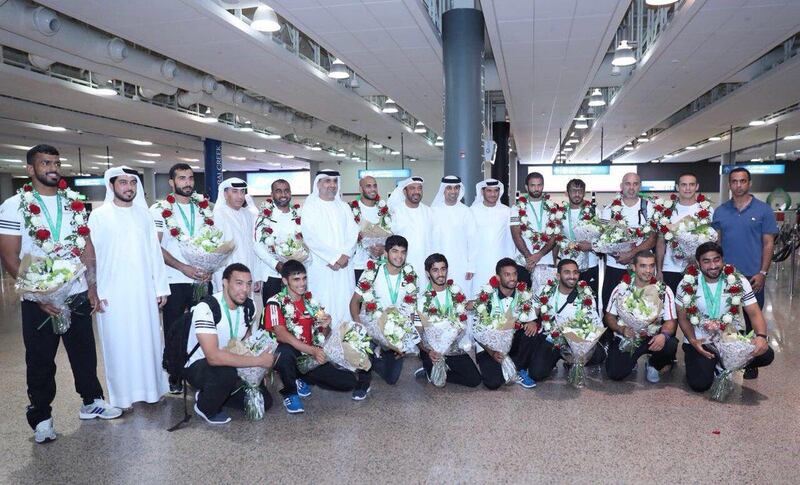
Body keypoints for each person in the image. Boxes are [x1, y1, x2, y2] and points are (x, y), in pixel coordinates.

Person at [0, 144, 120, 444]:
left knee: (84, 353)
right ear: (31, 169)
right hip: (37, 299)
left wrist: (92, 286)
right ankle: (41, 417)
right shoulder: (13, 205)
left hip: (76, 292)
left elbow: (86, 248)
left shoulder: (74, 203)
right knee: (40, 360)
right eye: (45, 163)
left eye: (55, 162)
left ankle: (91, 400)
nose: (52, 167)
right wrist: (40, 294)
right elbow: (9, 255)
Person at [88, 166, 171, 408]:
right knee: (118, 345)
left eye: (132, 182)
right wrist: (96, 290)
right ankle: (123, 397)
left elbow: (154, 253)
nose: (129, 187)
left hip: (144, 291)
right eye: (123, 182)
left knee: (149, 342)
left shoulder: (145, 215)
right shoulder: (99, 216)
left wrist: (160, 287)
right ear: (111, 185)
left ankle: (152, 390)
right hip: (112, 293)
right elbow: (93, 256)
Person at [265, 260, 372, 413]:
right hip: (292, 353)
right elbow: (281, 335)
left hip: (309, 357)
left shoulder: (311, 302)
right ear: (284, 281)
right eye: (296, 279)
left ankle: (300, 378)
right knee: (285, 352)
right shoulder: (275, 302)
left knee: (348, 382)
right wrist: (312, 351)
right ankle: (290, 393)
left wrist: (326, 326)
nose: (302, 283)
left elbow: (322, 336)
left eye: (304, 278)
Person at [675, 242, 774, 392]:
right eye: (706, 261)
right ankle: (716, 364)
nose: (713, 265)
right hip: (701, 341)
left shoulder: (738, 280)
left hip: (729, 339)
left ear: (723, 260)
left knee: (766, 354)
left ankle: (726, 363)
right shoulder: (686, 283)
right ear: (698, 263)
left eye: (716, 260)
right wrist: (693, 340)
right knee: (700, 384)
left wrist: (761, 336)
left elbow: (754, 312)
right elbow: (682, 318)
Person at [185, 263, 274, 424]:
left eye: (248, 284)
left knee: (264, 402)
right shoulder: (206, 308)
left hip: (232, 362)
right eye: (239, 283)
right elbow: (213, 357)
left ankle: (218, 394)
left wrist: (256, 372)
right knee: (225, 373)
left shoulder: (249, 306)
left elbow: (247, 340)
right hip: (200, 365)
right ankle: (205, 406)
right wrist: (258, 361)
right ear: (225, 283)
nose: (245, 289)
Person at [151, 163, 212, 394]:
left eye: (190, 178)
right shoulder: (158, 209)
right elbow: (155, 246)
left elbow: (213, 241)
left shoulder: (204, 208)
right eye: (182, 178)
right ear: (171, 182)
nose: (187, 183)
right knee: (175, 330)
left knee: (203, 327)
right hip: (174, 279)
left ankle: (199, 369)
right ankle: (175, 374)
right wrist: (182, 267)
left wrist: (209, 268)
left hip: (202, 279)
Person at [712, 167, 778, 379]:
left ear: (749, 183)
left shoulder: (764, 210)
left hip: (752, 276)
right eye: (734, 181)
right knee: (726, 319)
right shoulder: (720, 211)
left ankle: (750, 362)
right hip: (725, 276)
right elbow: (717, 243)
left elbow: (768, 244)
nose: (738, 185)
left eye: (742, 181)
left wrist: (762, 272)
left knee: (751, 320)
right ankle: (727, 359)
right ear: (729, 184)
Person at [349, 235, 417, 385]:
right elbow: (354, 302)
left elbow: (411, 309)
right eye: (394, 251)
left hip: (394, 331)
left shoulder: (410, 275)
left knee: (392, 378)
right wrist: (359, 325)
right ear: (385, 253)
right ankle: (363, 382)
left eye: (403, 252)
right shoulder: (372, 272)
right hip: (372, 327)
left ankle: (375, 360)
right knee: (365, 346)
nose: (399, 256)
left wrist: (404, 340)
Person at [604, 251, 678, 383]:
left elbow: (671, 322)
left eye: (651, 266)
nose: (648, 270)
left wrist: (663, 335)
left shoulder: (664, 290)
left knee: (670, 344)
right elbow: (609, 316)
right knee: (615, 373)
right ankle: (631, 361)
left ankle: (653, 364)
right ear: (634, 267)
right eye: (643, 266)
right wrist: (621, 330)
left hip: (652, 337)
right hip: (628, 336)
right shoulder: (621, 288)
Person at [527, 259, 605, 382]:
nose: (572, 276)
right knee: (536, 373)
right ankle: (553, 361)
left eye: (575, 272)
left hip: (575, 340)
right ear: (558, 276)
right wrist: (531, 321)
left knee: (599, 355)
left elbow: (592, 322)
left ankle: (570, 362)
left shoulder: (586, 294)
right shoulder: (545, 290)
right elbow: (534, 308)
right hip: (552, 339)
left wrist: (584, 343)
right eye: (567, 272)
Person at [300, 170, 359, 325]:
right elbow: (310, 237)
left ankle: (346, 341)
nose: (332, 185)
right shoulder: (310, 207)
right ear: (318, 184)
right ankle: (321, 342)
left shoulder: (344, 207)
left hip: (344, 266)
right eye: (327, 181)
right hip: (321, 265)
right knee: (322, 302)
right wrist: (333, 258)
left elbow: (353, 232)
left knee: (344, 301)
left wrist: (345, 255)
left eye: (334, 181)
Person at [416, 253, 481, 388]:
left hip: (452, 347)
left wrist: (481, 301)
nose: (440, 274)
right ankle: (429, 367)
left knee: (474, 380)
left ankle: (441, 371)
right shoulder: (422, 300)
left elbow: (465, 306)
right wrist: (429, 352)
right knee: (437, 378)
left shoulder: (455, 292)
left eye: (443, 269)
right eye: (435, 270)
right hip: (432, 349)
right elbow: (417, 332)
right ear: (428, 273)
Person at [473, 258, 538, 390]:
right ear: (498, 277)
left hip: (511, 344)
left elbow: (531, 318)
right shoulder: (486, 298)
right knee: (493, 383)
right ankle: (502, 365)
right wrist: (491, 352)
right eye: (507, 275)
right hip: (489, 347)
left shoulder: (523, 295)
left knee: (531, 331)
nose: (512, 278)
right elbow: (477, 332)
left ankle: (520, 368)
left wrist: (532, 321)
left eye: (514, 274)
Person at [600, 172, 657, 311]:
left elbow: (652, 239)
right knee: (610, 306)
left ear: (640, 186)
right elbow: (605, 240)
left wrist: (631, 254)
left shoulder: (649, 208)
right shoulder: (609, 210)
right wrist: (619, 255)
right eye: (628, 183)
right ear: (621, 186)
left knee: (642, 307)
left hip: (642, 268)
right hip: (616, 266)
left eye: (635, 184)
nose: (631, 187)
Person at [655, 172, 713, 293]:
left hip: (698, 268)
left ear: (697, 187)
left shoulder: (707, 210)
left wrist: (697, 262)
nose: (688, 188)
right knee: (671, 308)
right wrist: (659, 270)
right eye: (684, 185)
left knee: (694, 308)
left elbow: (711, 242)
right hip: (670, 268)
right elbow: (660, 242)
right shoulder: (667, 211)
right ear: (677, 187)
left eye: (691, 184)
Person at [254, 178, 301, 305]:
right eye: (278, 191)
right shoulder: (264, 217)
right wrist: (277, 265)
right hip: (272, 275)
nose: (283, 195)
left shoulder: (298, 215)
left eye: (286, 191)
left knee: (296, 315)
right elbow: (257, 246)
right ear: (272, 194)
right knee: (273, 316)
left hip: (297, 277)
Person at [211, 177, 261, 294]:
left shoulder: (248, 214)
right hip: (228, 275)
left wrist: (256, 276)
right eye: (235, 192)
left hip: (248, 272)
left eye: (242, 191)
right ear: (225, 193)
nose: (240, 196)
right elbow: (217, 253)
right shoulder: (218, 215)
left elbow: (253, 246)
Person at [430, 175, 478, 295]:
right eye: (449, 188)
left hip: (461, 265)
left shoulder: (466, 211)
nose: (453, 191)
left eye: (456, 188)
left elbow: (473, 240)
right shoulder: (433, 211)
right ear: (443, 190)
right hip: (438, 265)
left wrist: (471, 267)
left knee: (461, 298)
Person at [510, 172, 558, 290]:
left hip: (546, 261)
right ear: (526, 187)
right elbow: (516, 235)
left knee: (545, 301)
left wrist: (539, 255)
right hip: (523, 263)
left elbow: (555, 236)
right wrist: (529, 257)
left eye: (539, 185)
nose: (536, 188)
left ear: (543, 186)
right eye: (532, 185)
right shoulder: (516, 208)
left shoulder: (554, 207)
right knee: (524, 301)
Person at [470, 179, 515, 297]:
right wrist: (470, 265)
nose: (493, 194)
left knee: (499, 296)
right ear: (482, 192)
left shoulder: (506, 211)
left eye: (496, 191)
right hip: (479, 263)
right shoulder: (472, 211)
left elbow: (510, 239)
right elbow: (469, 239)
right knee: (479, 295)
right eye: (489, 191)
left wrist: (510, 262)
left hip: (500, 259)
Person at [556, 179, 600, 297]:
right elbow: (556, 239)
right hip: (567, 265)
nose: (577, 194)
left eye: (580, 191)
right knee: (567, 299)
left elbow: (602, 238)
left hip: (590, 264)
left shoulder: (594, 212)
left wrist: (591, 245)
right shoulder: (560, 213)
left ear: (584, 192)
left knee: (589, 299)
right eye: (573, 191)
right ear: (567, 193)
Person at [387, 176, 433, 287]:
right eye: (412, 188)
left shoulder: (429, 212)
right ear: (404, 191)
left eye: (419, 188)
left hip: (424, 266)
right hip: (401, 264)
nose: (416, 191)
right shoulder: (396, 212)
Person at [350, 175, 387, 282]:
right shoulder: (351, 209)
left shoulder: (383, 209)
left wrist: (383, 248)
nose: (372, 189)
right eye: (368, 186)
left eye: (375, 186)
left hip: (379, 263)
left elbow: (389, 234)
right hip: (357, 265)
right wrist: (358, 238)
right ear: (361, 189)